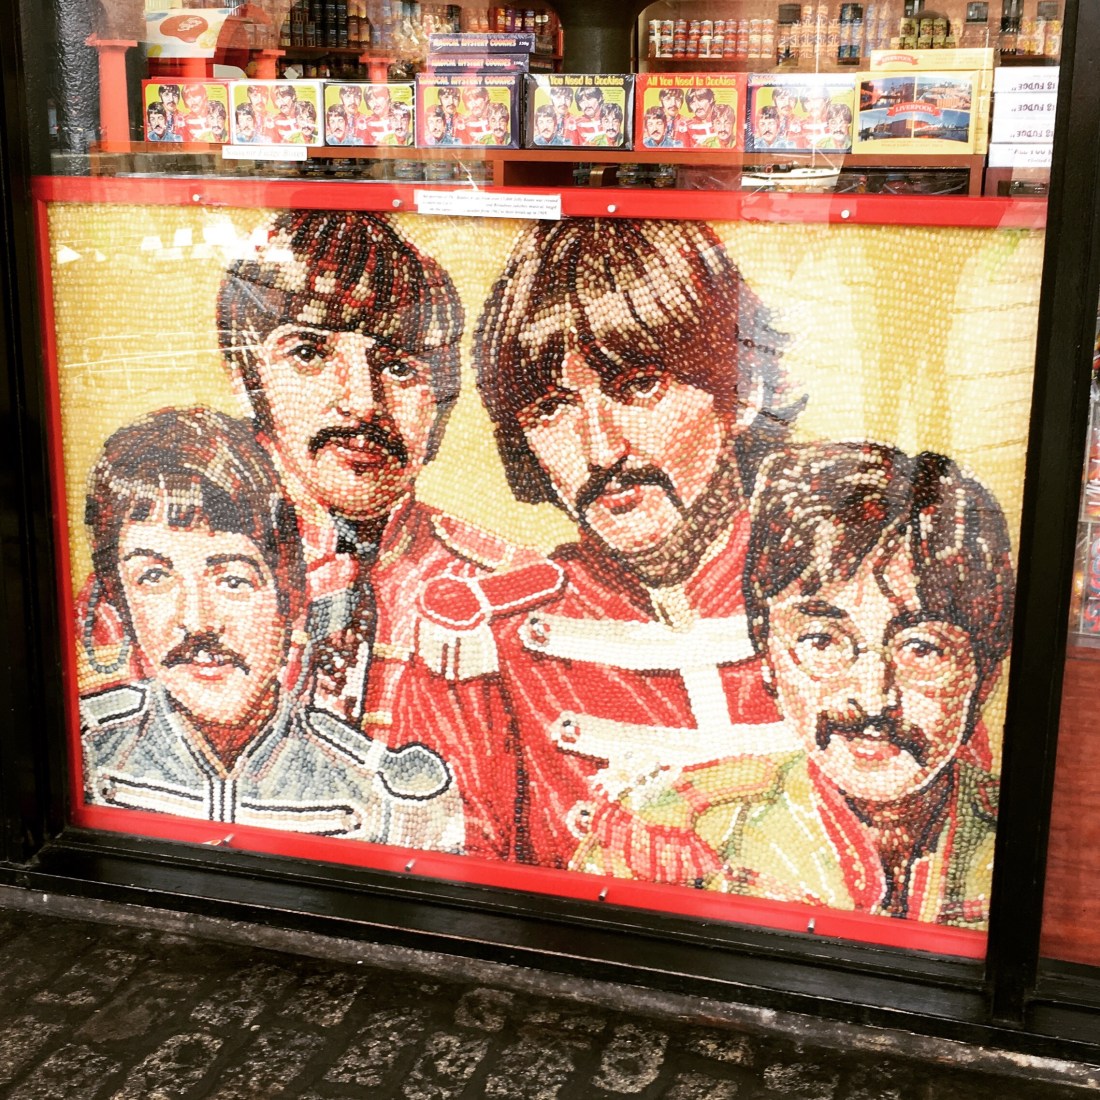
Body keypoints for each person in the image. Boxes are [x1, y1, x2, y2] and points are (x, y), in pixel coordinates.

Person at [401, 219, 797, 869]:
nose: (600, 449)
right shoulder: (486, 640)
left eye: (637, 385)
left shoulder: (847, 596)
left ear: (741, 389)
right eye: (552, 407)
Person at [216, 211, 552, 858]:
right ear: (247, 379)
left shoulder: (516, 593)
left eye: (400, 367)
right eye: (310, 353)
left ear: (441, 402)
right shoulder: (171, 576)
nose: (363, 402)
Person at [574, 442, 1011, 927]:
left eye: (921, 649)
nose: (871, 698)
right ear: (769, 662)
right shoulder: (672, 831)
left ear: (984, 675)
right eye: (822, 641)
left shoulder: (1021, 838)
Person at [79, 407, 463, 851]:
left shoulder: (388, 792)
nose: (198, 620)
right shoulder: (86, 746)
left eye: (232, 580)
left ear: (289, 596)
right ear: (119, 601)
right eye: (154, 577)